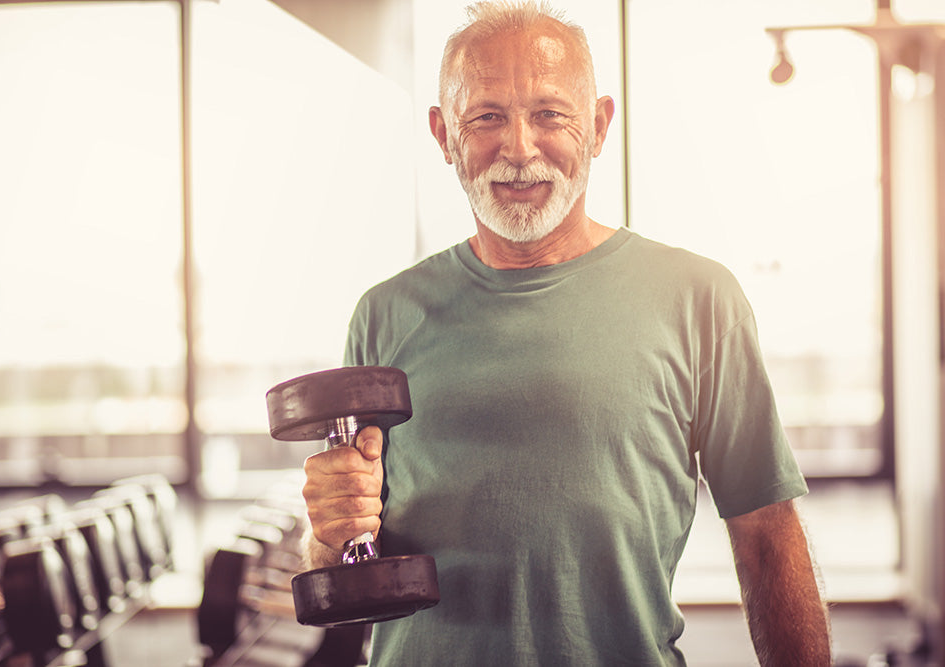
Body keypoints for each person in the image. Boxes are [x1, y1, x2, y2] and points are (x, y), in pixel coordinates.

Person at [302, 1, 832, 664]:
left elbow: (766, 535)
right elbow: (350, 554)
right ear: (443, 135)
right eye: (486, 116)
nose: (519, 148)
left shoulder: (700, 299)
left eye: (549, 114)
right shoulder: (382, 315)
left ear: (599, 125)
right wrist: (325, 532)